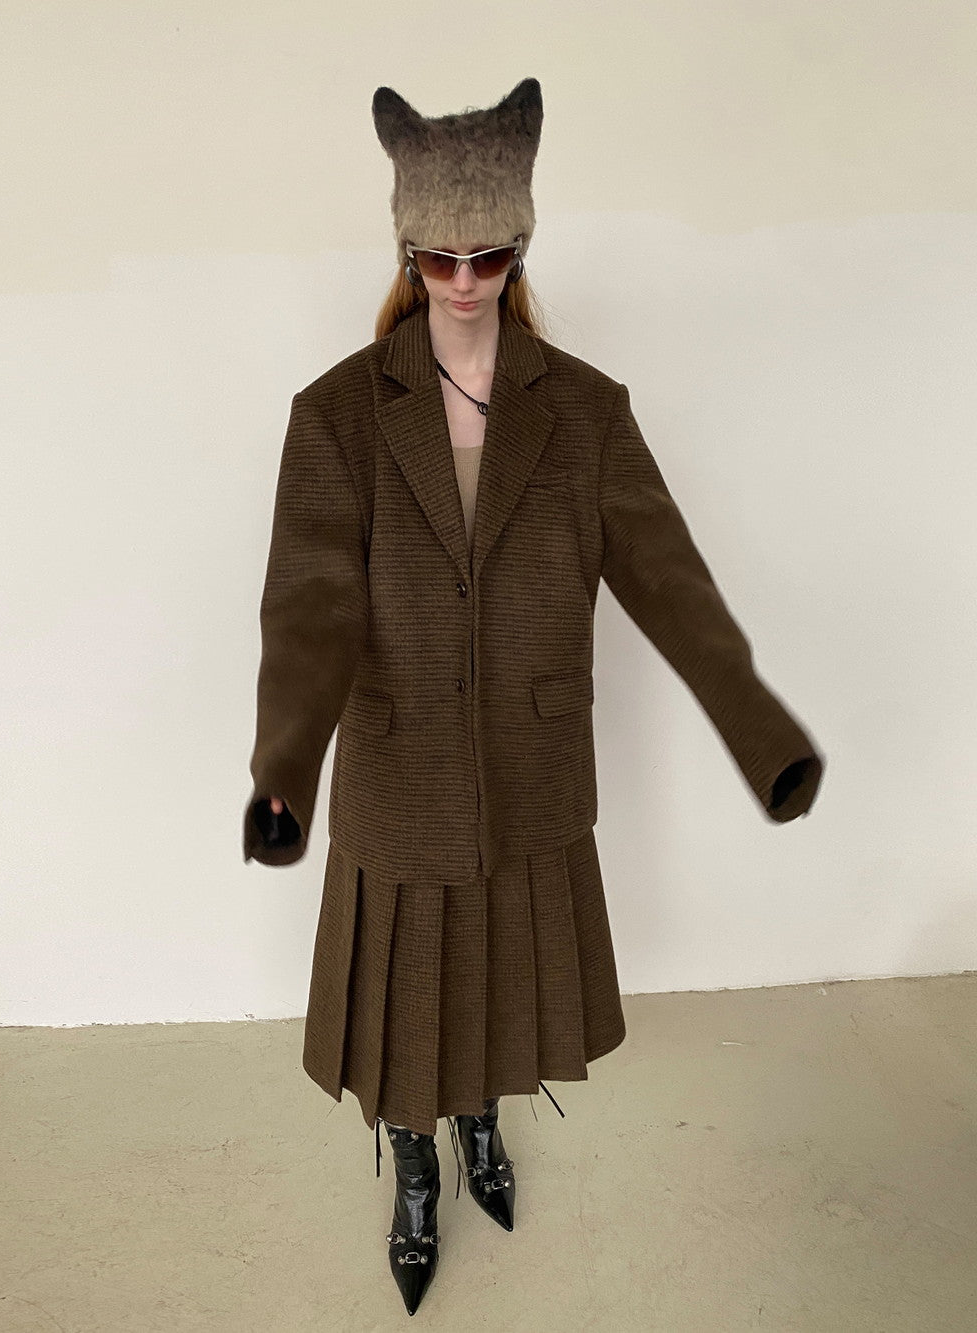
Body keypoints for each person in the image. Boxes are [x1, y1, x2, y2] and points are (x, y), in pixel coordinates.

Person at [242, 77, 825, 1317]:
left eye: (489, 254)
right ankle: (414, 1166)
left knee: (498, 968)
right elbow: (309, 610)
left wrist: (763, 736)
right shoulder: (337, 416)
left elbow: (669, 583)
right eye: (438, 257)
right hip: (399, 763)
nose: (463, 281)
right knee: (407, 983)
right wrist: (282, 767)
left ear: (521, 246)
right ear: (406, 250)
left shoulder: (586, 413)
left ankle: (480, 1122)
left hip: (530, 760)